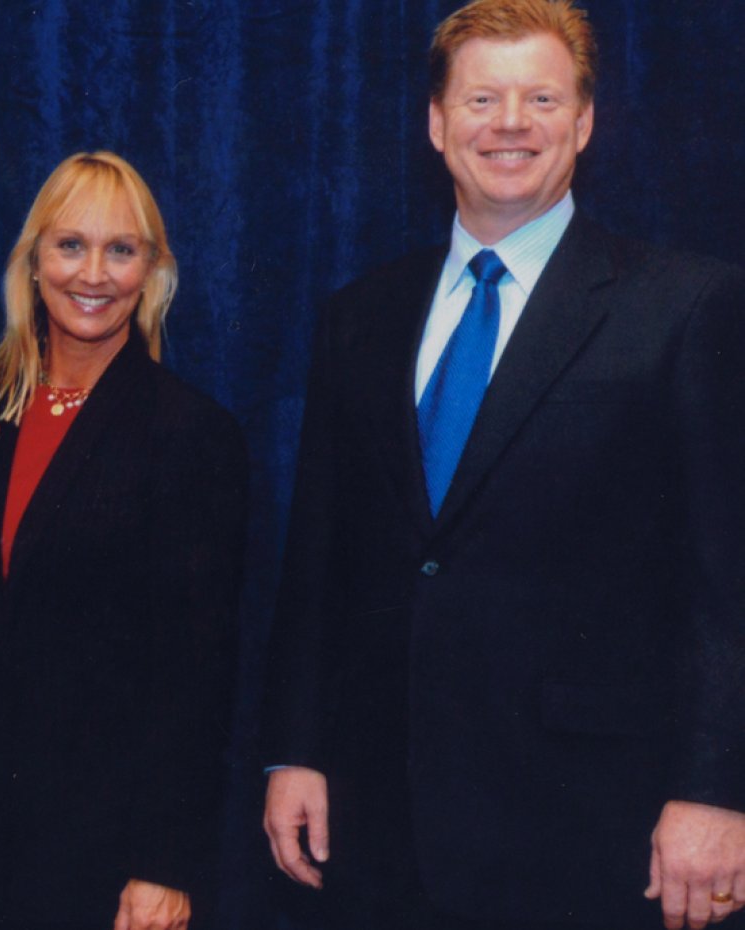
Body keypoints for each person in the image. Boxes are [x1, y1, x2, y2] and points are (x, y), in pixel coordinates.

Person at [260, 1, 745, 928]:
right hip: (381, 820)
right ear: (438, 124)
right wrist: (294, 751)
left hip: (598, 825)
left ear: (586, 122)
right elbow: (317, 559)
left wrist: (720, 790)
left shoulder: (688, 308)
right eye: (483, 97)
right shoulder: (359, 315)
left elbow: (730, 579)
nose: (511, 122)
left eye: (541, 98)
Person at [0, 151, 248, 930]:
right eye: (70, 246)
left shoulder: (193, 435)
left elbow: (198, 673)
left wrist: (165, 863)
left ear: (152, 272)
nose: (92, 273)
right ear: (33, 263)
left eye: (121, 249)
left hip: (113, 850)